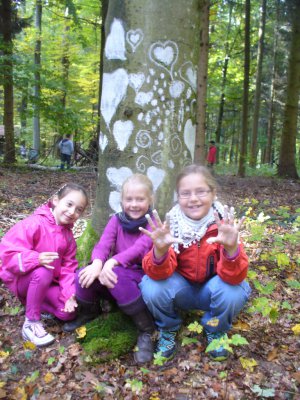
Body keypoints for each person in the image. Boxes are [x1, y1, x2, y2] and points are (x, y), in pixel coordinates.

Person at [139, 164, 251, 361]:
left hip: (214, 290)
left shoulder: (224, 225)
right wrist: (160, 251)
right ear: (178, 197)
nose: (193, 199)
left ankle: (215, 329)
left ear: (213, 193)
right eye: (185, 193)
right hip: (181, 290)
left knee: (235, 290)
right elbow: (158, 275)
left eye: (201, 192)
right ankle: (169, 329)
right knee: (151, 286)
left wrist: (232, 249)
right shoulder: (171, 224)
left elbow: (235, 277)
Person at [63, 174, 156, 364]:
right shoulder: (116, 220)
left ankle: (146, 329)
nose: (134, 204)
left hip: (139, 275)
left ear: (150, 200)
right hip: (114, 270)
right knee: (83, 273)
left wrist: (112, 262)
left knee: (117, 275)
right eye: (129, 199)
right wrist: (98, 262)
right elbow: (104, 244)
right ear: (121, 201)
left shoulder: (153, 222)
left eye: (140, 199)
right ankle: (89, 312)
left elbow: (139, 250)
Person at [0, 183, 88, 347]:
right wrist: (36, 259)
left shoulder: (68, 237)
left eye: (78, 210)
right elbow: (7, 253)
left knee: (67, 312)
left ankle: (38, 304)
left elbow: (68, 270)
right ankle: (31, 323)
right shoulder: (34, 223)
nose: (72, 212)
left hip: (46, 284)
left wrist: (69, 295)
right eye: (69, 204)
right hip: (24, 281)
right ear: (55, 200)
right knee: (44, 271)